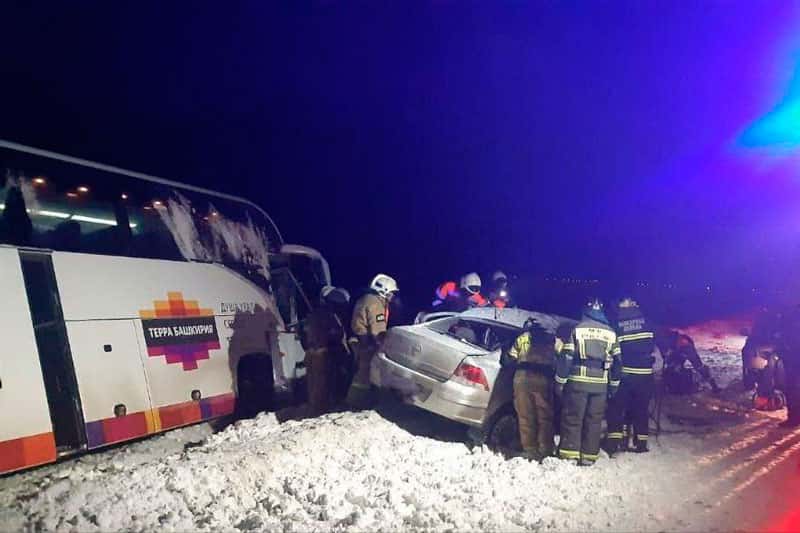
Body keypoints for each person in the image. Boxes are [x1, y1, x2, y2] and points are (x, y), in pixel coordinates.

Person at [556, 299, 622, 466]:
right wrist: (613, 385)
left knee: (574, 418)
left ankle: (570, 453)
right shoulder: (611, 333)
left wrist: (560, 381)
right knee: (594, 420)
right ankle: (588, 456)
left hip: (578, 382)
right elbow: (618, 362)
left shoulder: (578, 329)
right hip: (600, 384)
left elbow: (567, 356)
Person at [604, 297, 656, 455]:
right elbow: (653, 345)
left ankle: (614, 443)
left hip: (625, 374)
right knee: (640, 408)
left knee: (617, 407)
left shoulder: (616, 323)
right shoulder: (647, 321)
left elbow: (613, 349)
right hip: (645, 375)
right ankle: (641, 443)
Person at [508, 318, 558, 462]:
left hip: (522, 380)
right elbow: (566, 354)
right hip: (542, 380)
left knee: (525, 416)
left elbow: (511, 357)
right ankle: (546, 449)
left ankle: (529, 449)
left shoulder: (522, 338)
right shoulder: (552, 340)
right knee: (544, 417)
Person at [345, 274, 399, 409]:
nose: (392, 297)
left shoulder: (366, 299)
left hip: (357, 341)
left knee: (359, 373)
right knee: (365, 374)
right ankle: (358, 403)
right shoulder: (376, 303)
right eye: (391, 293)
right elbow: (378, 330)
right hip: (365, 343)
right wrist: (384, 345)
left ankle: (354, 401)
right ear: (384, 290)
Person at [300, 286, 351, 416]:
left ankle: (316, 410)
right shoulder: (326, 316)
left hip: (314, 354)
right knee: (321, 387)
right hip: (322, 355)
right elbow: (332, 336)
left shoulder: (314, 315)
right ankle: (320, 413)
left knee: (315, 387)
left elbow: (304, 337)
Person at [657, 330, 721, 395]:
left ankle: (714, 386)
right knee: (672, 369)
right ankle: (675, 387)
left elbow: (697, 364)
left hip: (682, 347)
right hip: (676, 350)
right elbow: (666, 356)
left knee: (699, 367)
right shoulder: (660, 340)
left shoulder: (685, 344)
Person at [776, 304, 800, 428]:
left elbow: (786, 336)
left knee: (792, 387)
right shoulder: (790, 313)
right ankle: (795, 417)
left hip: (793, 356)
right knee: (793, 387)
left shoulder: (790, 314)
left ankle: (794, 417)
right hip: (792, 355)